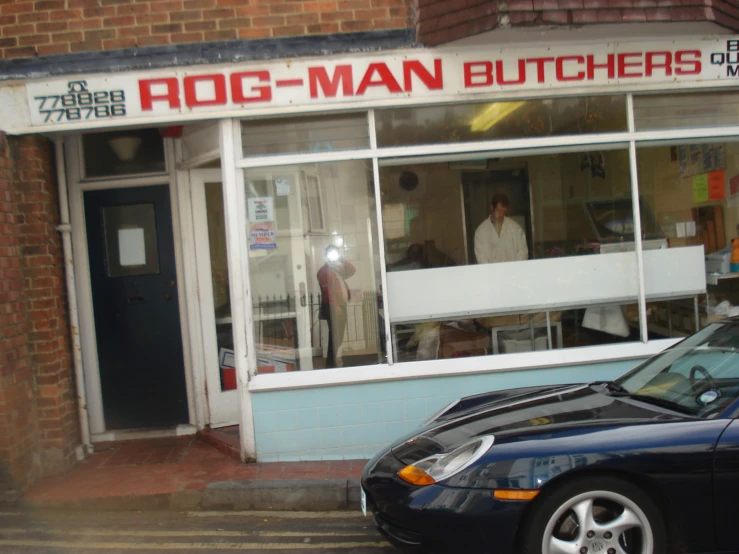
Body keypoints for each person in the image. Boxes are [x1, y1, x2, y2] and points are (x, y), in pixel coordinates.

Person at [317, 245, 356, 368]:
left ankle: (333, 361)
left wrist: (342, 259)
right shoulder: (324, 271)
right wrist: (336, 307)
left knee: (339, 336)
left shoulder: (337, 269)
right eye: (332, 253)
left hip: (340, 305)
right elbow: (327, 291)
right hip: (333, 307)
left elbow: (352, 270)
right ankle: (331, 365)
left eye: (336, 253)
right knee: (334, 336)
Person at [474, 192, 528, 264]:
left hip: (513, 272)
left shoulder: (516, 229)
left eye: (503, 212)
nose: (501, 215)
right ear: (491, 207)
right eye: (498, 211)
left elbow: (523, 253)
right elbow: (481, 257)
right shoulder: (481, 231)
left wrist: (515, 270)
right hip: (491, 273)